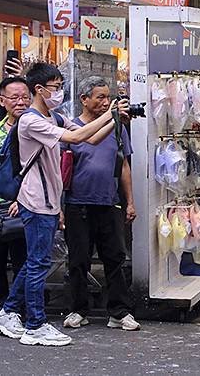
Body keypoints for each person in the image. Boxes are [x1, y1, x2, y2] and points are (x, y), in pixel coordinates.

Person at [0, 63, 128, 346]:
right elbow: (75, 137)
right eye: (56, 87)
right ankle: (34, 324)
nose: (59, 92)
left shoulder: (54, 116)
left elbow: (90, 139)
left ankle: (8, 310)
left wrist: (114, 119)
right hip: (35, 201)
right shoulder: (32, 121)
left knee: (35, 262)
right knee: (38, 264)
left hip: (49, 201)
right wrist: (110, 113)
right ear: (40, 89)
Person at [62, 76, 139, 331]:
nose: (106, 102)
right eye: (100, 97)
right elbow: (61, 171)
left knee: (115, 258)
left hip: (109, 202)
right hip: (77, 203)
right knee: (78, 260)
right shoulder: (70, 129)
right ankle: (78, 310)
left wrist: (130, 201)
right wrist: (60, 208)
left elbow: (124, 165)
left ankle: (119, 312)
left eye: (108, 97)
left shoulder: (117, 127)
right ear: (84, 99)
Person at [0, 77, 30, 308]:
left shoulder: (37, 129)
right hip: (0, 206)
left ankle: (19, 309)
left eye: (25, 97)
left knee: (24, 260)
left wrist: (22, 199)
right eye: (14, 97)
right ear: (2, 101)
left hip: (26, 205)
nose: (20, 102)